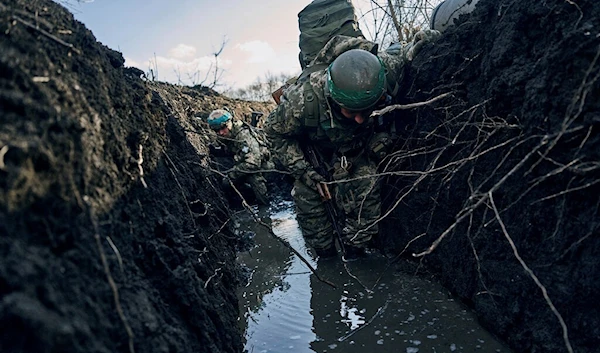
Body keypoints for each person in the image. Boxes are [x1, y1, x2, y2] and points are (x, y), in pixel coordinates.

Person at [265, 31, 440, 260]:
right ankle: (326, 257)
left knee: (367, 196)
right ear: (332, 97)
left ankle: (355, 252)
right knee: (313, 219)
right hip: (315, 157)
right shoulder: (302, 101)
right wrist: (306, 172)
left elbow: (407, 51)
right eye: (349, 112)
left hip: (357, 152)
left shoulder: (385, 71)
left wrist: (423, 41)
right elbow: (274, 133)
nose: (359, 119)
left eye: (365, 111)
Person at [207, 108, 272, 205]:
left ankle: (264, 205)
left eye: (223, 127)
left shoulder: (243, 136)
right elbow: (228, 150)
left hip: (265, 166)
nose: (220, 133)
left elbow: (253, 163)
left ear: (230, 122)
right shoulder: (226, 135)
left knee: (253, 176)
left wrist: (231, 175)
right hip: (243, 163)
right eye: (216, 130)